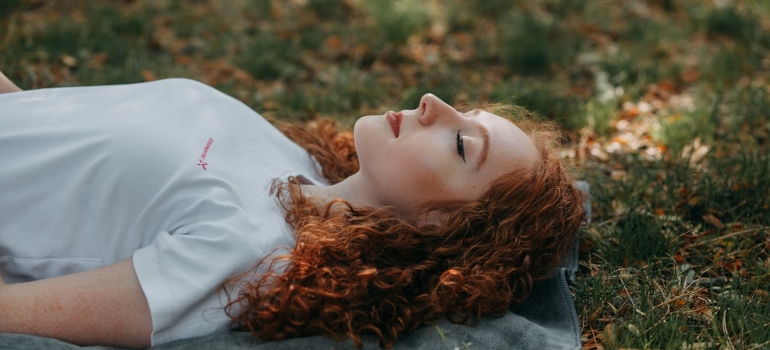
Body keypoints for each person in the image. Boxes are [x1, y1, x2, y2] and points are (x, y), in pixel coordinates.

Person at [0, 73, 585, 349]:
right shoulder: (295, 160)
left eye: (462, 145)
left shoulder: (251, 255)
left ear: (442, 226)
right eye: (468, 111)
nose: (435, 103)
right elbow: (57, 139)